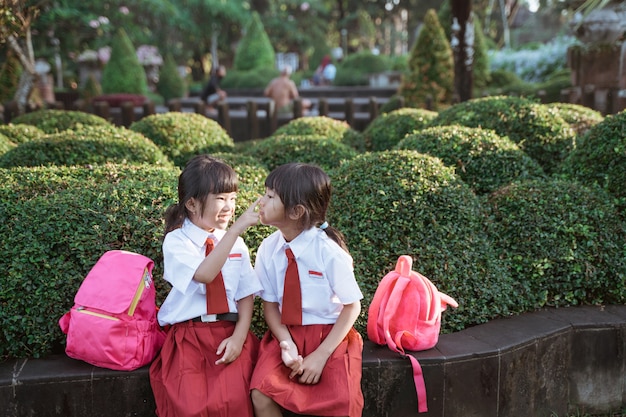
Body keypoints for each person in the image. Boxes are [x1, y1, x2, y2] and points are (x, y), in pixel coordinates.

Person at [149, 154, 262, 417]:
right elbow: (204, 274)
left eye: (233, 199)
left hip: (229, 333)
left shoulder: (236, 243)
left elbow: (246, 294)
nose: (229, 207)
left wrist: (239, 337)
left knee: (236, 404)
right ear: (191, 203)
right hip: (189, 337)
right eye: (220, 199)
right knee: (191, 407)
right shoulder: (177, 241)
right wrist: (234, 232)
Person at [250, 162, 364, 417]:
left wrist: (322, 355)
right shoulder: (268, 248)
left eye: (270, 197)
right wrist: (285, 342)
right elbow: (270, 305)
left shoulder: (328, 251)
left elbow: (352, 305)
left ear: (296, 211)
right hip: (285, 333)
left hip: (330, 337)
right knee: (261, 391)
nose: (261, 201)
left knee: (342, 402)